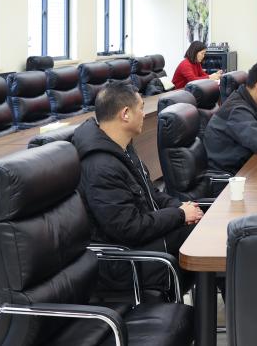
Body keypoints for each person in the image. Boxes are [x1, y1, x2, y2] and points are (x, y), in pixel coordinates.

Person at [73, 81, 203, 295]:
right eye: (141, 108)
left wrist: (182, 207)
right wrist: (179, 215)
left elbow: (153, 195)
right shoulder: (100, 166)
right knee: (200, 237)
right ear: (125, 114)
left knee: (200, 226)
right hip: (122, 261)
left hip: (141, 242)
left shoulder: (122, 149)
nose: (144, 114)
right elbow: (129, 228)